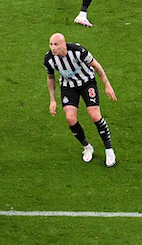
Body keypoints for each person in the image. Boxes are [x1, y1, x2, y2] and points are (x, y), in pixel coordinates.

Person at [45, 33, 117, 167]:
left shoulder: (78, 51)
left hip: (87, 82)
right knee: (70, 118)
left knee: (95, 115)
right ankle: (87, 147)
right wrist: (52, 100)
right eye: (51, 44)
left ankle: (109, 149)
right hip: (68, 87)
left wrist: (107, 84)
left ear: (63, 44)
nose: (53, 48)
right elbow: (51, 78)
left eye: (56, 44)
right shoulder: (49, 59)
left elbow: (96, 65)